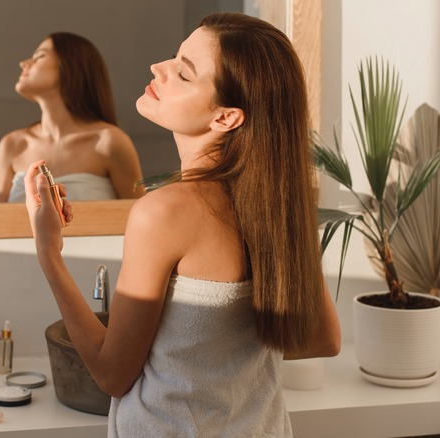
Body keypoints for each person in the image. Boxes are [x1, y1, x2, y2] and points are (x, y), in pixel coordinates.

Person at [25, 13, 340, 437]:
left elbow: (111, 375)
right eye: (175, 57)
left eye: (183, 72)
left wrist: (49, 254)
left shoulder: (164, 212)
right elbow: (323, 339)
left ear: (226, 118)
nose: (159, 68)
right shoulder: (276, 208)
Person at [0, 32, 144, 202]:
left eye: (40, 56)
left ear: (71, 66)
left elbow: (138, 218)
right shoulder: (13, 144)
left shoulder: (109, 142)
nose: (24, 63)